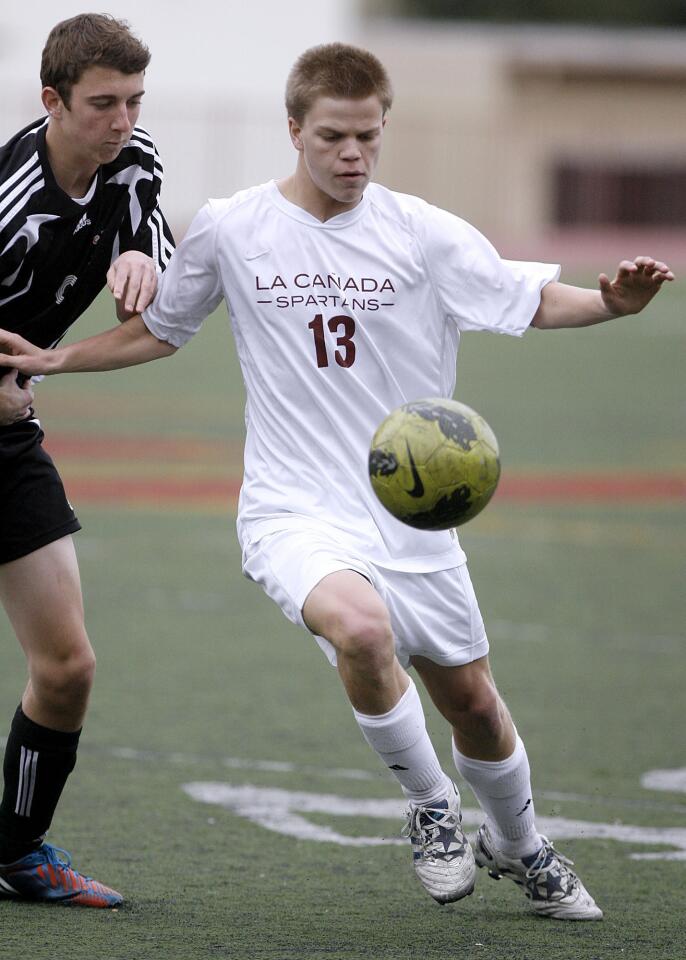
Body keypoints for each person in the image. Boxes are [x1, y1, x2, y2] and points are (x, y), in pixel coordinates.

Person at [0, 43, 673, 920]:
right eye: (333, 137)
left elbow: (525, 298)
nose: (353, 154)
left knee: (474, 704)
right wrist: (60, 358)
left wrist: (610, 303)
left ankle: (520, 844)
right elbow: (161, 328)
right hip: (294, 511)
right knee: (360, 630)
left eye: (368, 136)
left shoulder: (420, 230)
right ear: (295, 131)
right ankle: (432, 807)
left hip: (412, 519)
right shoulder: (234, 227)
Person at [0, 14, 173, 907]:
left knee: (66, 666)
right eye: (103, 104)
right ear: (51, 101)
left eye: (134, 100)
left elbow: (151, 259)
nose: (122, 120)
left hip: (6, 440)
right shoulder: (6, 193)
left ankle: (17, 852)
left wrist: (142, 253)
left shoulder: (134, 160)